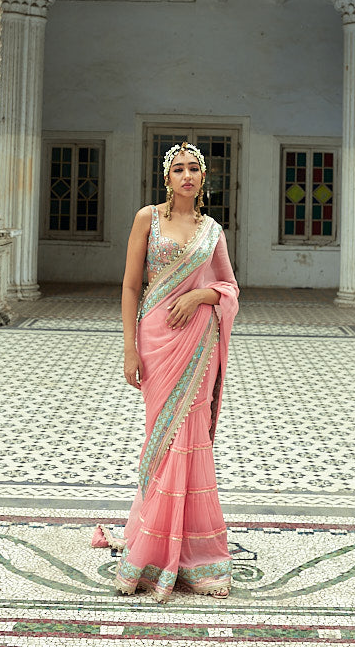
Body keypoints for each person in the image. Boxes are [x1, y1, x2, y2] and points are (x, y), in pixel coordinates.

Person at [94, 142, 239, 602]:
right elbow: (131, 285)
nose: (187, 176)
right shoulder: (147, 219)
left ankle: (192, 553)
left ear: (203, 178)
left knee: (188, 440)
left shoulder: (211, 231)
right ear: (166, 178)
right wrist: (129, 349)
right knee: (161, 438)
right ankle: (152, 545)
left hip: (197, 347)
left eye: (194, 168)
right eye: (178, 169)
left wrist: (200, 297)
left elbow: (229, 288)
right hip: (156, 343)